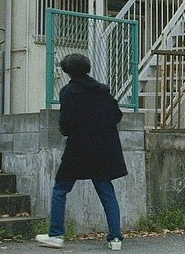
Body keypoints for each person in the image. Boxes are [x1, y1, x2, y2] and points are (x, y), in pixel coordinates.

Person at [35, 53, 128, 251]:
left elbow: (66, 123)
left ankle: (56, 235)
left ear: (68, 71)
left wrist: (70, 130)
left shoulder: (68, 92)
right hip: (103, 147)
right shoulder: (102, 90)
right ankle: (115, 239)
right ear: (87, 68)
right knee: (106, 191)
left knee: (61, 189)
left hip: (78, 148)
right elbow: (116, 115)